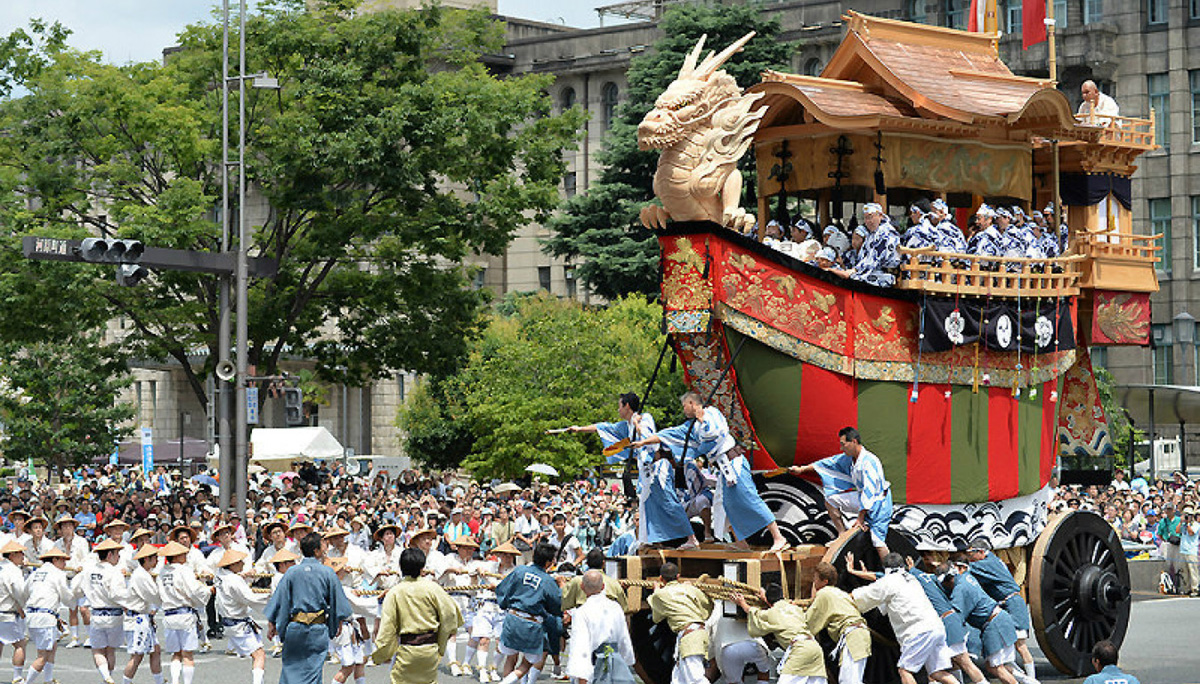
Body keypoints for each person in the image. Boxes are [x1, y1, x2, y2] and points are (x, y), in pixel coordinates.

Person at [636, 392, 787, 551]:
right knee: (725, 504)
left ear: (692, 403)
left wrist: (703, 421)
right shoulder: (691, 426)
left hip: (733, 462)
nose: (683, 409)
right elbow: (668, 434)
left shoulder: (712, 413)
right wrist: (644, 441)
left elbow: (715, 433)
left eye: (684, 405)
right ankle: (741, 543)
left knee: (749, 498)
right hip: (723, 468)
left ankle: (779, 537)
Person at [851, 553, 957, 684]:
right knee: (937, 672)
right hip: (936, 628)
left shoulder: (889, 581)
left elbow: (861, 596)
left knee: (905, 671)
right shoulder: (911, 579)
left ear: (886, 569)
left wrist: (839, 596)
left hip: (919, 632)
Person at [265, 532, 353, 684]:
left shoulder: (292, 572)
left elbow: (278, 600)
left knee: (290, 671)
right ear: (317, 551)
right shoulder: (328, 572)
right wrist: (337, 621)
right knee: (313, 673)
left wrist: (272, 623)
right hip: (317, 629)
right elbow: (339, 604)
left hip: (295, 627)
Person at [790, 427, 892, 558]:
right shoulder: (850, 458)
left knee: (878, 542)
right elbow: (828, 463)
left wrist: (860, 518)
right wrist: (802, 469)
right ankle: (841, 533)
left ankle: (893, 571)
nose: (841, 448)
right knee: (831, 499)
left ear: (854, 442)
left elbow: (869, 492)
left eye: (843, 444)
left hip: (879, 503)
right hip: (862, 498)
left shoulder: (869, 462)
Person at [371, 548, 463, 684]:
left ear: (401, 567)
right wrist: (441, 643)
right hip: (430, 650)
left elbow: (387, 628)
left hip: (407, 650)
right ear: (422, 567)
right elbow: (451, 615)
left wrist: (380, 654)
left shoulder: (395, 592)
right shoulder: (433, 588)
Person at [965, 539, 1037, 683]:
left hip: (1013, 604)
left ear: (981, 552)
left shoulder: (988, 563)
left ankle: (1031, 680)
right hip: (1010, 603)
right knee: (1010, 647)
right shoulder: (994, 560)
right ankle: (1024, 678)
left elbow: (967, 570)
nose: (970, 558)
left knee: (1020, 646)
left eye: (971, 554)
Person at [944, 555, 1023, 684]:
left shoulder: (961, 587)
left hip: (994, 623)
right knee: (994, 667)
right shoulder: (967, 577)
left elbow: (957, 616)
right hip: (998, 619)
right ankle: (1029, 681)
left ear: (960, 568)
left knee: (997, 668)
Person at [494, 543, 563, 684]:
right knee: (526, 664)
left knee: (511, 657)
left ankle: (506, 681)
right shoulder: (548, 580)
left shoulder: (519, 571)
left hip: (513, 617)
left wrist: (506, 604)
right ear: (549, 562)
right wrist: (561, 587)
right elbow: (557, 606)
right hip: (531, 623)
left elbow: (502, 590)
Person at [732, 582, 825, 684]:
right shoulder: (795, 608)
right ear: (783, 596)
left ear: (768, 601)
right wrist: (765, 598)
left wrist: (742, 603)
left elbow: (753, 612)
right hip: (815, 648)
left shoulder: (772, 613)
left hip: (800, 649)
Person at [564, 570, 635, 684]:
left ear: (582, 587)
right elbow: (624, 638)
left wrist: (581, 676)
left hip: (595, 665)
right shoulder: (615, 607)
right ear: (603, 587)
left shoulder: (582, 612)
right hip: (614, 662)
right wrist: (626, 660)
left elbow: (580, 646)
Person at [647, 562, 712, 684]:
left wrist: (655, 592)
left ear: (661, 578)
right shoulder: (690, 588)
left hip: (689, 637)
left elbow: (656, 618)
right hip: (694, 634)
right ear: (678, 576)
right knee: (678, 679)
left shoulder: (660, 594)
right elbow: (707, 607)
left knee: (695, 679)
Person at [157, 541, 212, 684]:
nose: (186, 556)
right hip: (184, 614)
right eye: (183, 554)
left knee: (176, 653)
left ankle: (175, 681)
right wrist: (208, 591)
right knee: (187, 654)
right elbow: (194, 590)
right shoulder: (184, 570)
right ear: (176, 556)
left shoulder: (162, 572)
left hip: (169, 614)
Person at [805, 562, 869, 684]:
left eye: (815, 578)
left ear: (824, 581)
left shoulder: (824, 594)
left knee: (849, 681)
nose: (814, 582)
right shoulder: (841, 594)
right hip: (860, 635)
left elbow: (809, 623)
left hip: (852, 636)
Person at [214, 549, 268, 684]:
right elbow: (250, 598)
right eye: (239, 562)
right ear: (231, 565)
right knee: (259, 654)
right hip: (238, 623)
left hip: (229, 621)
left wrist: (243, 576)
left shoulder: (219, 576)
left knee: (256, 653)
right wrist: (271, 598)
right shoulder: (234, 580)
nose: (243, 563)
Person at [22, 547, 71, 684]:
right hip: (45, 617)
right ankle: (27, 682)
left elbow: (24, 593)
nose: (65, 564)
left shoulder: (35, 574)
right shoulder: (58, 574)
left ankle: (48, 679)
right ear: (55, 560)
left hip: (32, 615)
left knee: (52, 646)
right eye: (63, 560)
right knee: (42, 656)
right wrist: (78, 594)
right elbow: (66, 597)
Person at [119, 544, 163, 684]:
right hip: (137, 619)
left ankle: (159, 680)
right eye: (154, 558)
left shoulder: (144, 574)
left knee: (155, 650)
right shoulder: (141, 575)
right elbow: (154, 595)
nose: (157, 561)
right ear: (147, 559)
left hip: (143, 617)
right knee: (137, 656)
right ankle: (126, 681)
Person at [832, 203, 900, 287]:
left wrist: (854, 270)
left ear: (880, 215)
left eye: (871, 217)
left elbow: (874, 258)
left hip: (883, 275)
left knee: (851, 280)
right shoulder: (873, 234)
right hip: (869, 271)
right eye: (866, 218)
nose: (868, 221)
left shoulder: (886, 233)